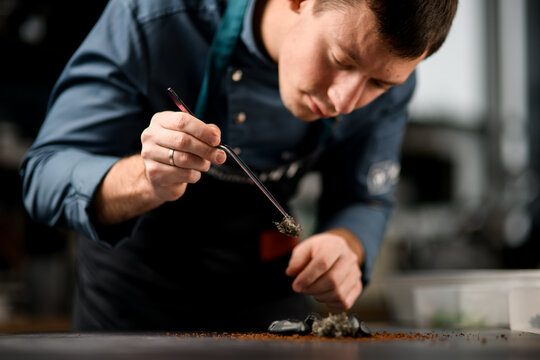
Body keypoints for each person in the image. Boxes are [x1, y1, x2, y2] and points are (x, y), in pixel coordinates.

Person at [20, 0, 457, 331]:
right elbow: (43, 176)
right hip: (133, 313)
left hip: (270, 309)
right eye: (341, 60)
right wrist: (144, 178)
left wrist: (347, 245)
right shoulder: (154, 18)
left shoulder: (388, 74)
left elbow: (363, 196)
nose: (345, 101)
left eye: (378, 83)